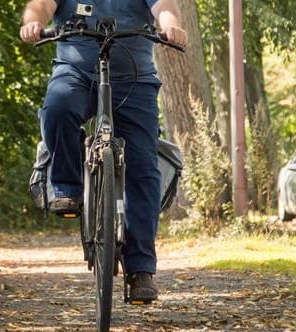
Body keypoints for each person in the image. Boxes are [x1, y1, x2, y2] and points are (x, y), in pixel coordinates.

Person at [20, 0, 187, 302]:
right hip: (76, 71)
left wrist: (170, 26)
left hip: (134, 77)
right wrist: (33, 23)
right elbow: (41, 5)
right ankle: (67, 187)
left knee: (143, 167)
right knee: (57, 109)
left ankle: (140, 269)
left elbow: (164, 6)